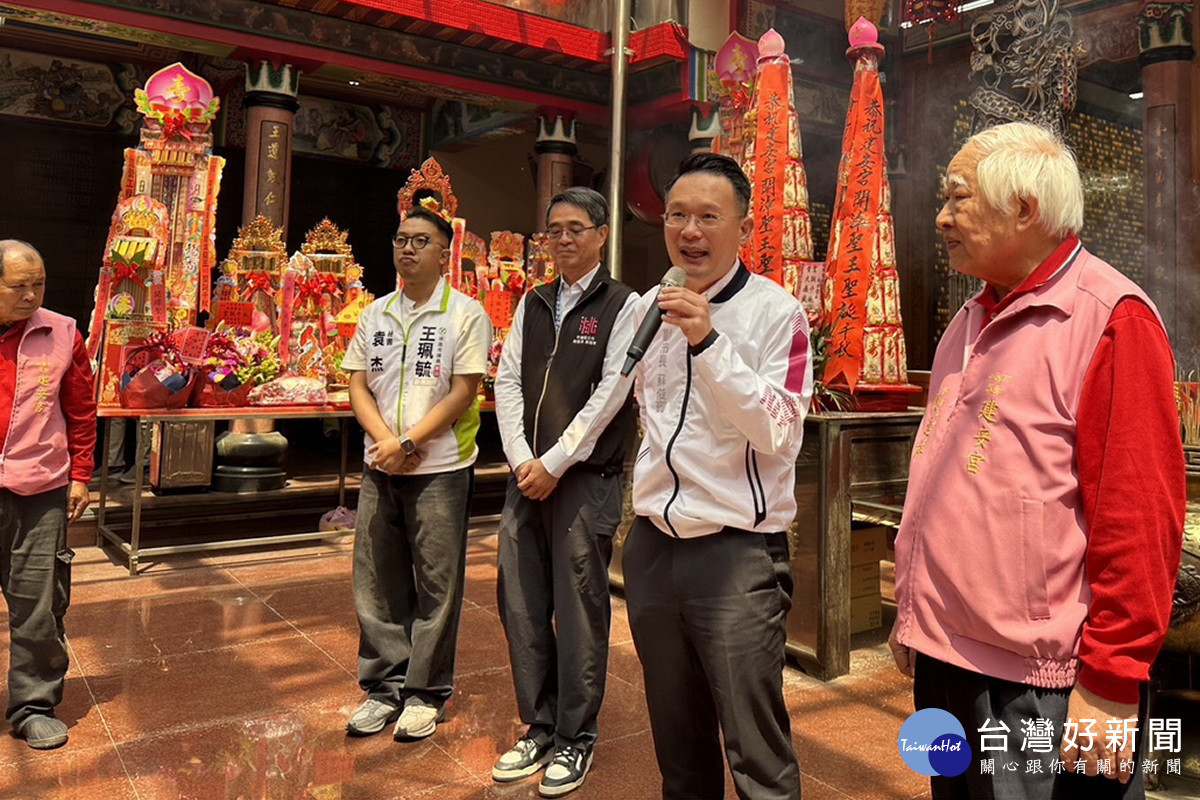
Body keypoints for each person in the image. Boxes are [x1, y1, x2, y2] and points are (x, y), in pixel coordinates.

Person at [888, 122, 1185, 799]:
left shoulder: (1111, 318)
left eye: (957, 198)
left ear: (1024, 209)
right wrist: (914, 613)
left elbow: (1139, 519)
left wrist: (1111, 684)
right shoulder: (969, 318)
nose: (941, 216)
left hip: (1036, 683)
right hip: (948, 658)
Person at [623, 152, 812, 800]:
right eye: (677, 214)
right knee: (678, 750)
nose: (690, 231)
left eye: (709, 216)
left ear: (744, 227)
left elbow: (781, 431)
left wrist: (709, 343)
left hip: (736, 557)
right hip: (650, 548)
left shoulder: (776, 314)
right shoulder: (648, 307)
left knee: (755, 754)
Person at [492, 187, 639, 797]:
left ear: (602, 234)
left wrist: (555, 460)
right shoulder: (534, 302)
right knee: (521, 601)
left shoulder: (624, 304)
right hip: (527, 479)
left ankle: (577, 736)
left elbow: (611, 394)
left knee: (578, 608)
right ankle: (539, 724)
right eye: (554, 230)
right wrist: (525, 460)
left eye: (577, 228)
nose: (564, 239)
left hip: (585, 480)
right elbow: (506, 383)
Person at [342, 203, 491, 741]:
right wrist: (386, 443)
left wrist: (409, 441)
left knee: (436, 585)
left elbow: (463, 390)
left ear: (444, 251)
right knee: (377, 581)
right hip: (382, 465)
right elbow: (357, 382)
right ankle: (384, 688)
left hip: (441, 469)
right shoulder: (374, 313)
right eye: (402, 238)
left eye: (421, 240)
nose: (408, 248)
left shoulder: (467, 314)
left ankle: (425, 693)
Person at [0, 240, 96, 750]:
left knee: (39, 605)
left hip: (40, 487)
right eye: (19, 286)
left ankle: (34, 704)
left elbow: (81, 407)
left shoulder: (62, 331)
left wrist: (82, 474)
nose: (31, 294)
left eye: (38, 284)